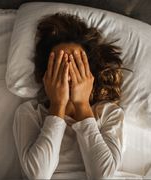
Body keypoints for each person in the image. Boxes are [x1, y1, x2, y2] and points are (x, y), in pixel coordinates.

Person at [13, 12, 125, 179]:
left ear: (90, 74)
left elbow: (103, 175)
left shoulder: (109, 114)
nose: (69, 73)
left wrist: (82, 105)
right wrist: (57, 106)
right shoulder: (30, 113)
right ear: (46, 75)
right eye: (59, 66)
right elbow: (38, 175)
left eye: (77, 65)